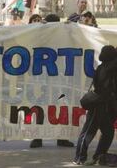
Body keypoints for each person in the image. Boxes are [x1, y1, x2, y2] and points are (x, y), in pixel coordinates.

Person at [73, 45, 117, 165]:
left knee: (108, 132)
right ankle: (79, 158)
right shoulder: (108, 68)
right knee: (88, 132)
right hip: (97, 105)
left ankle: (98, 156)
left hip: (103, 105)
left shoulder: (103, 66)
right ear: (111, 57)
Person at [29, 13, 74, 148]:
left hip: (46, 78)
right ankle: (60, 138)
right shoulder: (57, 34)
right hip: (55, 77)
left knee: (42, 108)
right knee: (58, 108)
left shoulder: (43, 34)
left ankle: (38, 138)